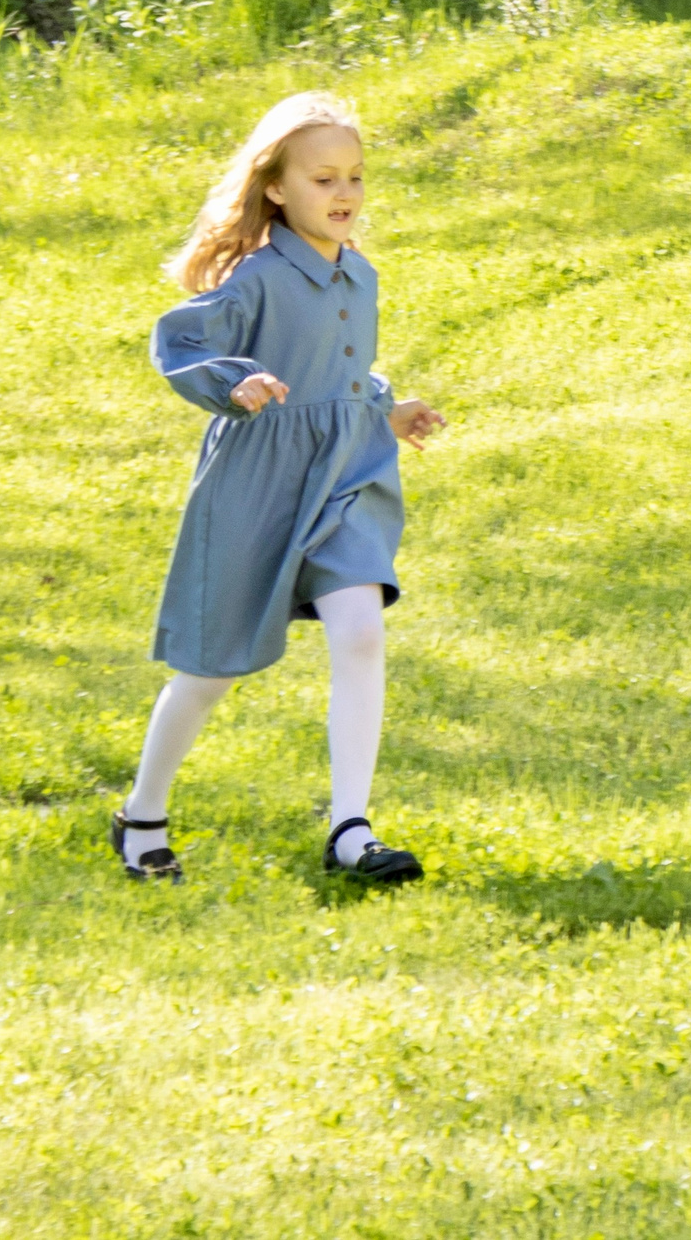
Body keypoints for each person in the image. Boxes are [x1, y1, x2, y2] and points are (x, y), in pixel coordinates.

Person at [111, 91, 444, 886]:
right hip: (258, 480)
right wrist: (236, 382)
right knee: (214, 666)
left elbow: (343, 370)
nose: (345, 195)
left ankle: (351, 830)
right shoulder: (255, 277)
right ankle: (142, 815)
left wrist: (386, 408)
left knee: (361, 630)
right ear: (277, 189)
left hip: (346, 472)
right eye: (324, 179)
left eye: (355, 178)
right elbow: (179, 337)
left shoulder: (358, 274)